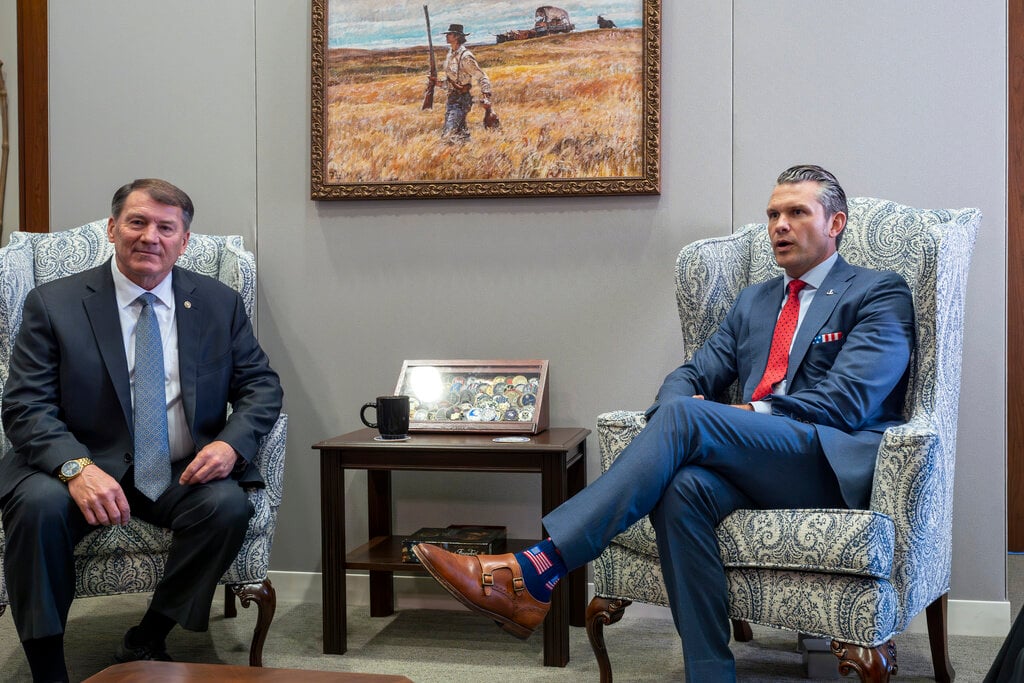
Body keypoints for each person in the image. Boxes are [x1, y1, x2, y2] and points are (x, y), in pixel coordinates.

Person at [413, 165, 916, 681]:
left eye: (796, 213)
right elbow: (693, 374)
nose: (779, 226)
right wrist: (684, 412)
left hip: (826, 461)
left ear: (835, 223)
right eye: (772, 214)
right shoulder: (755, 301)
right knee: (681, 488)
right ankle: (709, 673)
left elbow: (848, 401)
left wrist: (736, 414)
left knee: (685, 419)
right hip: (757, 459)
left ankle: (537, 569)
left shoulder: (878, 292)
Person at [0, 178, 283, 682]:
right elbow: (26, 405)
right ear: (112, 229)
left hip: (176, 467)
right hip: (77, 465)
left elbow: (261, 386)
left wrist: (228, 443)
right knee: (37, 509)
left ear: (184, 241)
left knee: (227, 506)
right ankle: (47, 668)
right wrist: (75, 468)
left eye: (165, 227)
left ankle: (149, 635)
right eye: (137, 222)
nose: (150, 236)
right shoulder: (54, 303)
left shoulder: (218, 303)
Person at [428, 23, 493, 143]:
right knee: (461, 134)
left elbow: (481, 76)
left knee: (448, 134)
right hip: (452, 98)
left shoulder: (465, 57)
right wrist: (437, 83)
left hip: (461, 99)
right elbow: (452, 81)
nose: (447, 36)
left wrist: (486, 94)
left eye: (450, 34)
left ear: (457, 37)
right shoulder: (450, 54)